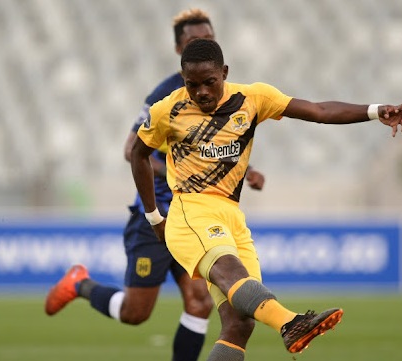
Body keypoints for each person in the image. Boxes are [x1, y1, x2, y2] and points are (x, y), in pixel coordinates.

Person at [130, 38, 402, 360]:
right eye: (193, 85)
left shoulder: (252, 98)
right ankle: (291, 323)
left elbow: (318, 111)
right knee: (230, 271)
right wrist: (154, 217)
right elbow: (138, 155)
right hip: (190, 211)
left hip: (231, 215)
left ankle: (287, 324)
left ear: (224, 72)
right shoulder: (168, 110)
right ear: (183, 80)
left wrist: (374, 112)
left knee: (240, 323)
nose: (202, 92)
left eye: (210, 83)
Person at [43, 9, 265, 361]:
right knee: (136, 312)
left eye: (208, 36)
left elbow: (207, 146)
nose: (202, 43)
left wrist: (245, 168)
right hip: (159, 215)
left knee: (200, 301)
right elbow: (132, 150)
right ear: (179, 49)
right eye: (193, 40)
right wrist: (178, 173)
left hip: (195, 217)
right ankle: (79, 284)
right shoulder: (165, 95)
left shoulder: (220, 94)